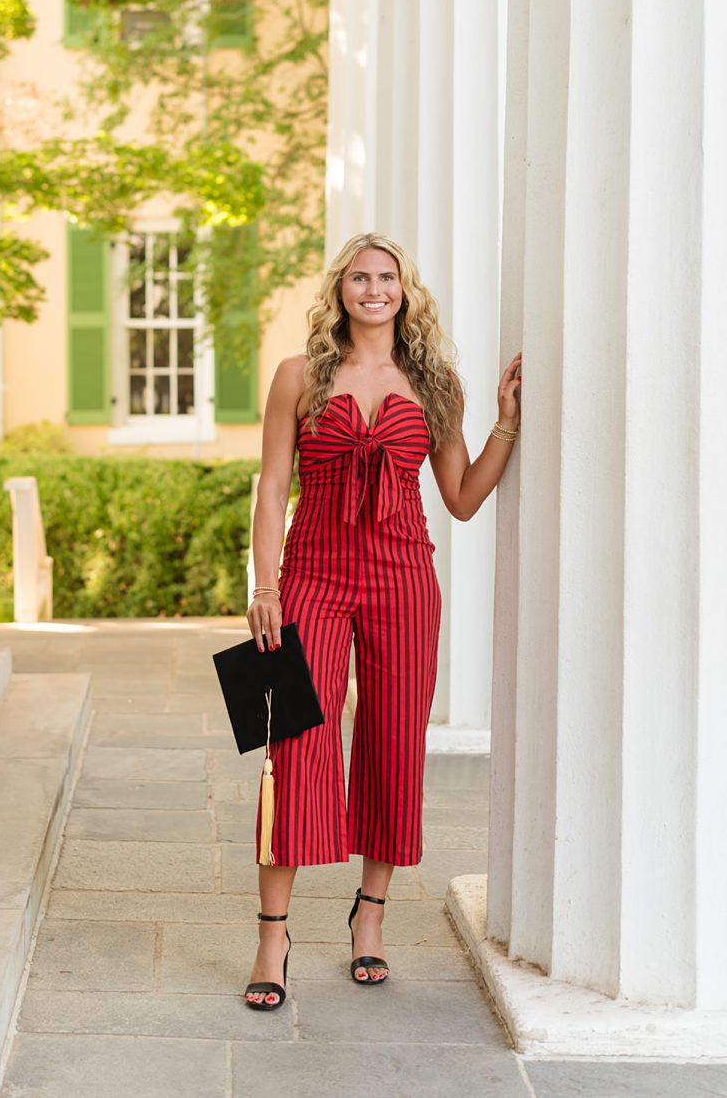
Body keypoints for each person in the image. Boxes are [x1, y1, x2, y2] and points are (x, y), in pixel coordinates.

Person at [240, 232, 520, 1010]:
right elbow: (270, 488)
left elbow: (460, 497)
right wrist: (265, 585)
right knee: (291, 745)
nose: (373, 288)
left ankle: (370, 917)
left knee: (394, 743)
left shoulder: (434, 383)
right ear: (340, 290)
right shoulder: (298, 376)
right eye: (359, 276)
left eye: (385, 277)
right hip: (312, 577)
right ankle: (273, 933)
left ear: (405, 290)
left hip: (403, 579)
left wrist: (505, 424)